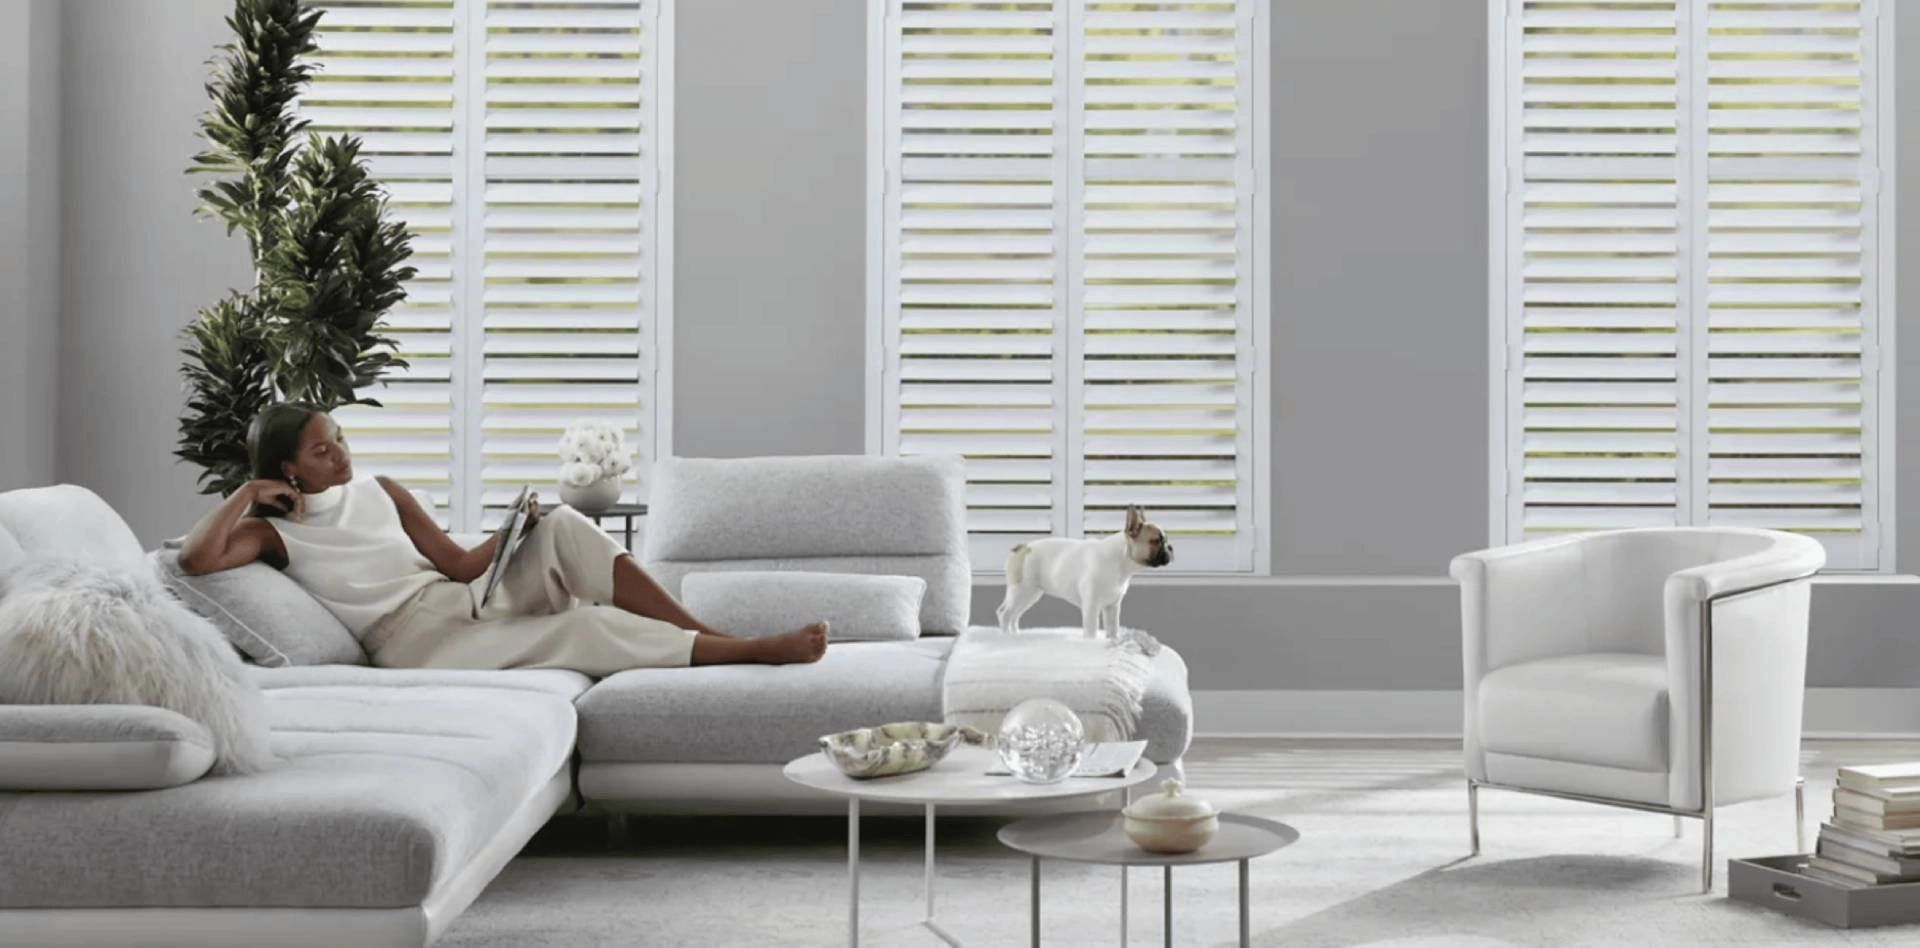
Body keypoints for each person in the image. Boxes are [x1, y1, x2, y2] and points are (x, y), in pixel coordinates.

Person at [179, 402, 828, 674]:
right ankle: (748, 652)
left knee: (568, 526)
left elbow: (460, 565)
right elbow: (194, 559)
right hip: (413, 642)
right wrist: (244, 494)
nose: (342, 455)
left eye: (340, 437)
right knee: (581, 630)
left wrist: (512, 531)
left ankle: (710, 634)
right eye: (323, 451)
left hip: (458, 599)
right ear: (289, 468)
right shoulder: (269, 534)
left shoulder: (382, 490)